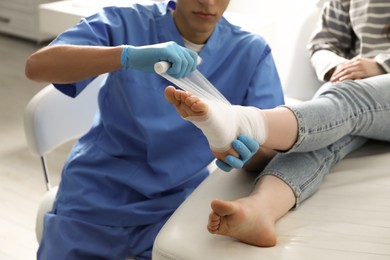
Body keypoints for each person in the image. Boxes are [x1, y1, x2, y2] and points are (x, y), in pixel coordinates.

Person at [25, 0, 284, 259]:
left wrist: (244, 153)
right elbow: (36, 67)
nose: (208, 2)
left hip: (176, 202)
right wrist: (126, 56)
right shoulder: (126, 23)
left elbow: (272, 152)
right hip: (97, 189)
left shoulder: (250, 53)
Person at [164, 0, 390, 248]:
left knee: (347, 100)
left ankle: (244, 123)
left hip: (367, 89)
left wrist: (380, 65)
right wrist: (338, 67)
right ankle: (260, 210)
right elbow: (323, 44)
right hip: (365, 96)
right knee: (321, 138)